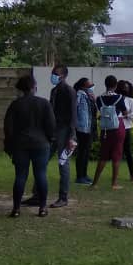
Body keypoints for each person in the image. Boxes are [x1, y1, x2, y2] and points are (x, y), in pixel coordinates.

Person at [3, 75, 56, 217]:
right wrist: (50, 139)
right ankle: (43, 207)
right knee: (41, 175)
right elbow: (51, 125)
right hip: (41, 143)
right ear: (34, 87)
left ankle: (16, 209)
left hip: (20, 144)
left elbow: (8, 128)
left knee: (20, 176)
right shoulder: (44, 103)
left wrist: (9, 145)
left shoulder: (15, 105)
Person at [48, 65, 77, 208]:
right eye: (52, 73)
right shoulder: (54, 90)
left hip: (65, 131)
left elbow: (73, 115)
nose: (53, 76)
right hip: (53, 131)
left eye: (55, 74)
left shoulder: (69, 91)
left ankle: (63, 197)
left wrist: (71, 137)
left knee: (63, 163)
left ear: (63, 76)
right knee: (42, 161)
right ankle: (37, 194)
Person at [91, 75, 127, 190]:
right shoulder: (120, 97)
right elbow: (125, 112)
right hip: (117, 128)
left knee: (103, 155)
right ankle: (114, 183)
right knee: (116, 155)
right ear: (115, 85)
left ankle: (95, 183)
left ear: (105, 85)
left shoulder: (99, 99)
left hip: (105, 129)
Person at [73, 78, 96, 185]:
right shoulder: (79, 94)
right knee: (82, 152)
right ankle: (79, 176)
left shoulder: (89, 95)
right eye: (89, 83)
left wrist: (93, 100)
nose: (91, 85)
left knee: (86, 152)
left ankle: (84, 175)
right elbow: (74, 109)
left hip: (89, 128)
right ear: (84, 85)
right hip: (82, 128)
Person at [117, 80, 133, 183]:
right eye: (123, 87)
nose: (125, 89)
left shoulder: (130, 100)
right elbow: (115, 114)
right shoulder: (116, 99)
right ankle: (115, 175)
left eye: (127, 87)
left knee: (128, 152)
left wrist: (124, 115)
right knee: (117, 152)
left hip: (127, 128)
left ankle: (132, 174)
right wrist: (126, 115)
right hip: (116, 128)